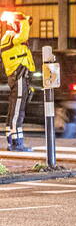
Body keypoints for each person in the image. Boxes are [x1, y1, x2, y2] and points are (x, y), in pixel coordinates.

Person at [1, 12, 35, 152]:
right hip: (19, 77)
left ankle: (13, 140)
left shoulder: (15, 41)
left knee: (15, 110)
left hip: (21, 77)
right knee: (17, 112)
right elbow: (23, 35)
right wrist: (24, 20)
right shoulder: (9, 37)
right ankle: (17, 143)